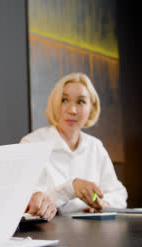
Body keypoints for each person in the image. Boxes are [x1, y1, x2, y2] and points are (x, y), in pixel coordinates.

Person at [22, 72, 127, 216]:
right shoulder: (32, 144)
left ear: (91, 108)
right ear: (55, 103)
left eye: (81, 102)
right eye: (64, 100)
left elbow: (118, 193)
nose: (72, 110)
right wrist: (70, 188)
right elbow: (26, 202)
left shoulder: (95, 146)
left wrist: (102, 202)